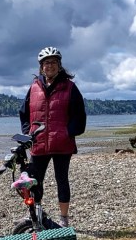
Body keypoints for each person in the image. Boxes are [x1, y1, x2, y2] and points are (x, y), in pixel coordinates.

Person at [18, 46, 87, 227]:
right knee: (35, 181)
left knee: (61, 180)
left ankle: (64, 218)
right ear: (41, 67)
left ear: (59, 65)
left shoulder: (70, 87)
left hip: (62, 144)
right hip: (39, 143)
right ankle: (36, 214)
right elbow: (24, 113)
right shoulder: (34, 87)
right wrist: (28, 133)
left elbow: (80, 116)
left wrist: (68, 132)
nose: (50, 66)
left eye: (53, 62)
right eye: (46, 63)